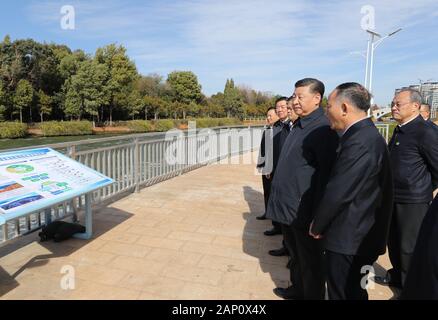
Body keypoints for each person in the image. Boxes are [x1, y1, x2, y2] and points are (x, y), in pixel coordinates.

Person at [309, 82, 393, 300]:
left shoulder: (360, 142)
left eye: (329, 106)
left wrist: (318, 224)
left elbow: (339, 191)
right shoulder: (364, 135)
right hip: (357, 232)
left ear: (344, 108)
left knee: (344, 292)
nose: (326, 111)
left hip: (350, 237)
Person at [266, 78, 339, 299]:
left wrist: (318, 217)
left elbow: (326, 178)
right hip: (288, 207)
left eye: (300, 97)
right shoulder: (298, 124)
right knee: (296, 256)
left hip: (304, 211)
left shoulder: (323, 130)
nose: (294, 102)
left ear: (317, 99)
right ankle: (297, 290)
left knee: (311, 262)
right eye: (294, 96)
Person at [375, 89, 438, 289]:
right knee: (393, 241)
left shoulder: (426, 131)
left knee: (408, 247)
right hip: (394, 197)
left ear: (415, 106)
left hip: (413, 201)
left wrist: (422, 187)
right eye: (393, 103)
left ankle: (411, 286)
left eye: (398, 104)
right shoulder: (400, 128)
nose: (393, 107)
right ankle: (397, 276)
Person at [269, 96, 300, 259]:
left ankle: (292, 253)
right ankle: (287, 247)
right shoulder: (283, 126)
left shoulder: (296, 127)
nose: (285, 110)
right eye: (281, 107)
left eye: (287, 107)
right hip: (280, 174)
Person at [261, 97, 291, 237]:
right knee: (273, 196)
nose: (279, 110)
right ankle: (277, 226)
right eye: (277, 107)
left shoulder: (291, 126)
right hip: (274, 168)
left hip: (285, 172)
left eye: (282, 107)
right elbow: (269, 149)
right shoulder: (277, 126)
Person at [256, 107, 279, 219]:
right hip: (266, 166)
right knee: (266, 190)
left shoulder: (280, 131)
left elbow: (274, 152)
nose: (268, 118)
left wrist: (270, 168)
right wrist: (261, 165)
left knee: (272, 192)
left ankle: (274, 217)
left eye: (270, 115)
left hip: (273, 168)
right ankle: (267, 212)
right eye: (267, 116)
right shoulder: (268, 130)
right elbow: (263, 150)